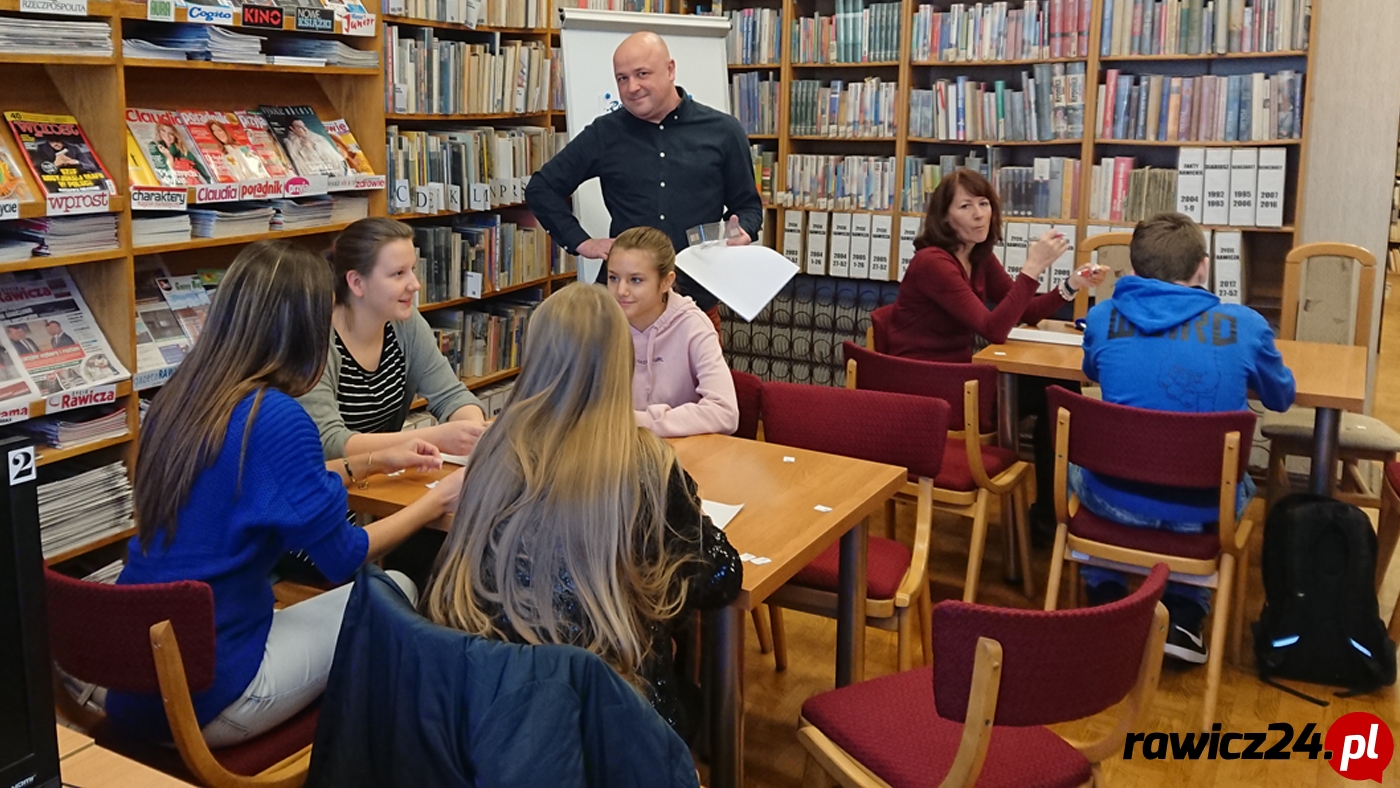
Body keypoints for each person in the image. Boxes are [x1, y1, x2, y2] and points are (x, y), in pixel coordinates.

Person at [106, 240, 466, 747]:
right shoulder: (276, 415)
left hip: (135, 678)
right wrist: (438, 500)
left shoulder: (184, 396)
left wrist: (369, 462)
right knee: (399, 589)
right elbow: (344, 556)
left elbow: (267, 483)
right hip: (216, 692)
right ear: (303, 328)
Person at [421, 284, 742, 743]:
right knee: (696, 701)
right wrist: (693, 512)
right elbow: (720, 577)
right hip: (608, 716)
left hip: (486, 707)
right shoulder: (645, 465)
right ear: (621, 362)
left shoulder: (495, 450)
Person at [1075, 212, 1296, 663]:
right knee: (1233, 478)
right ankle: (1184, 617)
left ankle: (1105, 596)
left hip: (1113, 500)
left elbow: (1093, 368)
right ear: (1203, 267)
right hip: (1201, 511)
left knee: (1076, 460)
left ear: (1134, 269)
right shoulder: (1246, 324)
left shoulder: (1101, 316)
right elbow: (1281, 397)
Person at [885, 168, 1105, 535]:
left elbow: (1025, 312)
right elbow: (993, 329)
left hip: (960, 379)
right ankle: (1049, 520)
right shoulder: (933, 263)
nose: (979, 214)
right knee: (1055, 397)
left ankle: (1048, 516)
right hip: (930, 389)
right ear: (944, 218)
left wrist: (1070, 285)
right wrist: (1032, 268)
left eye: (984, 203)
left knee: (1058, 395)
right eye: (965, 206)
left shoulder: (979, 257)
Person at [524, 30, 763, 329]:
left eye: (642, 74)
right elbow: (541, 188)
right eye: (622, 78)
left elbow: (749, 208)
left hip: (695, 304)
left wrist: (742, 231)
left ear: (670, 70)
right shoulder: (605, 133)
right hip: (621, 310)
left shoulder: (723, 131)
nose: (632, 87)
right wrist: (582, 242)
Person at [299, 217, 487, 461]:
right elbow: (328, 443)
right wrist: (437, 437)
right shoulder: (314, 338)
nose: (415, 285)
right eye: (398, 273)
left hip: (383, 475)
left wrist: (473, 430)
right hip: (327, 480)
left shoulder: (405, 324)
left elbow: (451, 395)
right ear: (357, 282)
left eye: (413, 270)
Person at [607, 226, 738, 437]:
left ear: (666, 282)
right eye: (613, 278)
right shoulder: (600, 324)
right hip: (616, 446)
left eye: (635, 280)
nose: (621, 291)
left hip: (679, 450)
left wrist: (636, 421)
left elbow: (725, 413)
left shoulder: (693, 326)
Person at [283, 118, 348, 178]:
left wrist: (314, 145)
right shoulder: (291, 143)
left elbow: (330, 152)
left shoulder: (315, 137)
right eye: (300, 127)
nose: (305, 129)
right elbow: (300, 163)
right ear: (292, 129)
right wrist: (308, 149)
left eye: (304, 126)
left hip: (333, 171)